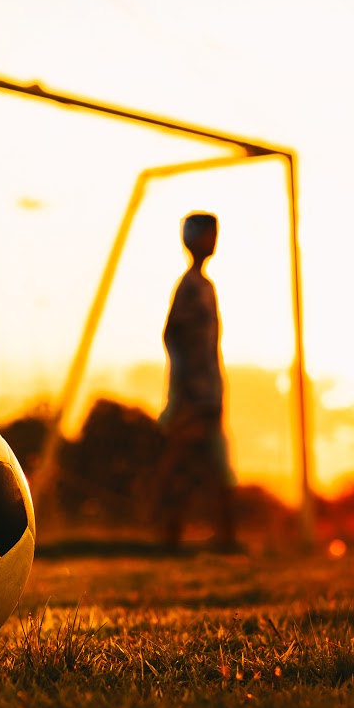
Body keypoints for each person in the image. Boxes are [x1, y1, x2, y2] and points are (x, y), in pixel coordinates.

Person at [153, 212, 237, 552]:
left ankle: (225, 538)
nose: (212, 240)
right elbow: (173, 337)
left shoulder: (204, 286)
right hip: (193, 398)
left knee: (215, 468)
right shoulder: (189, 287)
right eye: (206, 233)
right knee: (186, 467)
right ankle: (169, 538)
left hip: (210, 395)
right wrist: (183, 394)